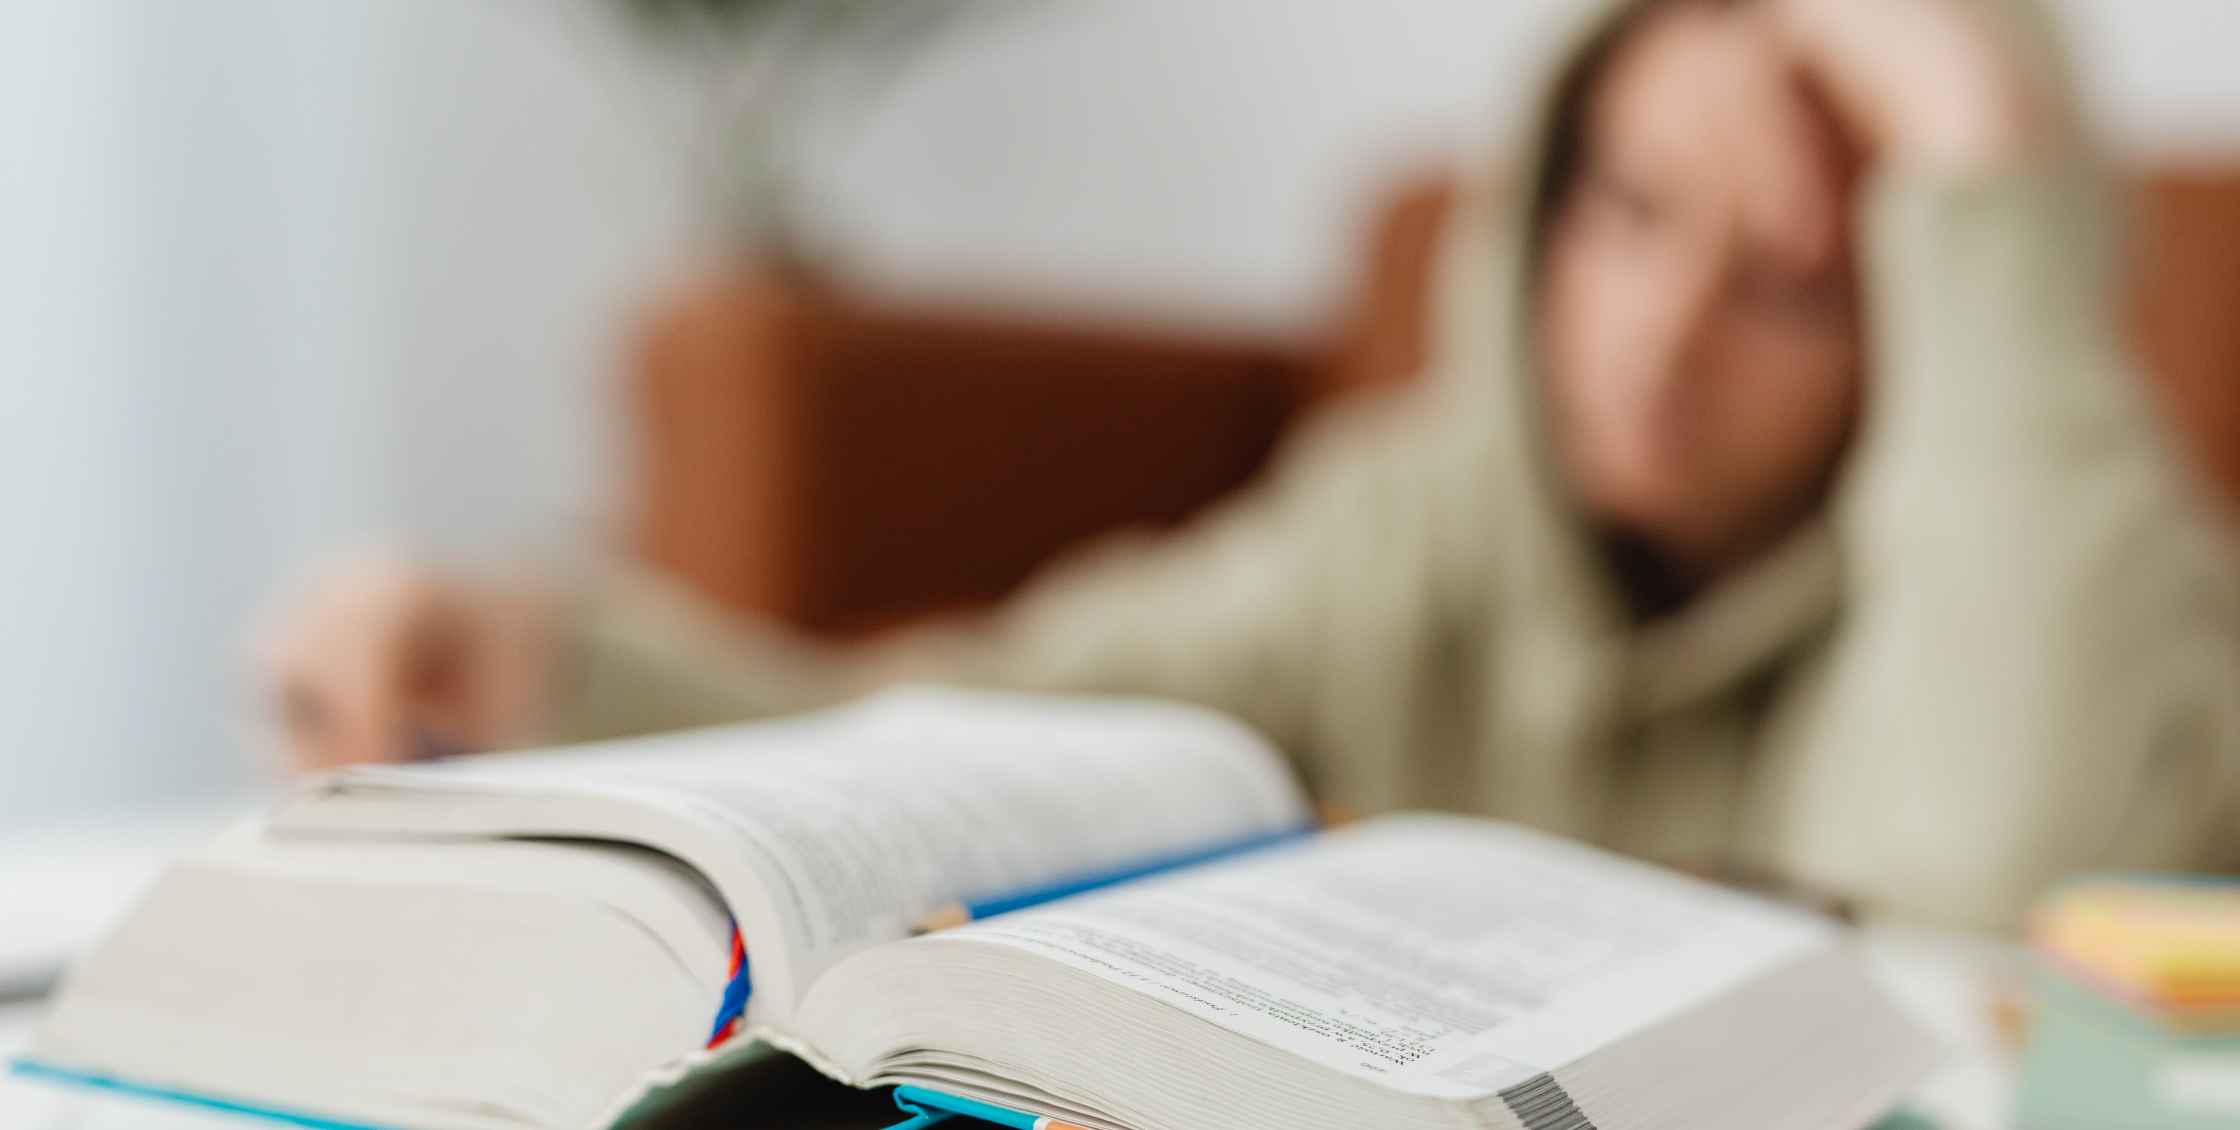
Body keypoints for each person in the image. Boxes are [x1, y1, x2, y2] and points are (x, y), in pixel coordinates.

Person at [263, 0, 2240, 930]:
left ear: (1932, 308)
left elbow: (1997, 896)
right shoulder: (1410, 526)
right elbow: (975, 717)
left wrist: (1980, 149)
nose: (1659, 332)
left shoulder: (2094, 579)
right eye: (1624, 212)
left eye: (1791, 279)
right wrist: (543, 663)